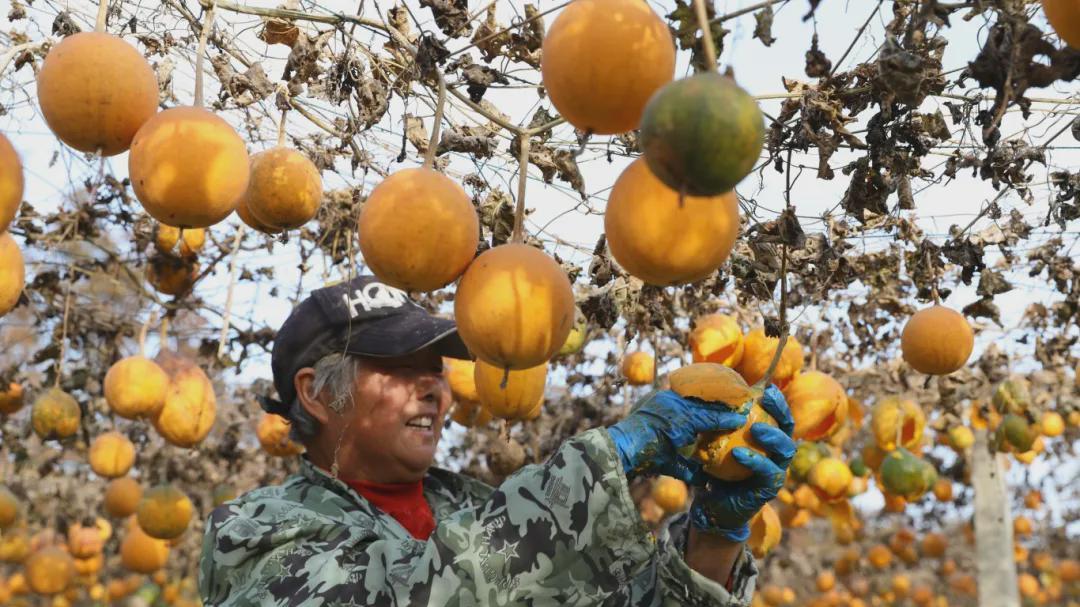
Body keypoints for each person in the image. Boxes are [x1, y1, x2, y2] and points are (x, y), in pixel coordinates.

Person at [199, 275, 796, 606]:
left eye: (435, 368)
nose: (432, 387)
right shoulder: (252, 536)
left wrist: (714, 537)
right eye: (400, 366)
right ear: (315, 392)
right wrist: (609, 454)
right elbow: (420, 592)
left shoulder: (479, 510)